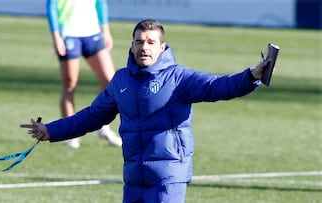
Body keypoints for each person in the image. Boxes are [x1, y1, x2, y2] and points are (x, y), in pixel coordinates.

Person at [21, 19, 271, 202]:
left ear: (162, 47)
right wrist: (50, 131)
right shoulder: (121, 80)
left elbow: (217, 86)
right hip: (134, 178)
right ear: (131, 46)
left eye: (151, 42)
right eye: (139, 41)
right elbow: (92, 116)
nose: (144, 47)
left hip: (168, 178)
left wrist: (250, 76)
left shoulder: (178, 78)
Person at [46, 0, 122, 148]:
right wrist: (56, 36)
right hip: (68, 33)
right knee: (70, 84)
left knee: (110, 81)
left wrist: (106, 30)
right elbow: (52, 5)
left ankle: (102, 126)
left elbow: (101, 3)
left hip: (92, 33)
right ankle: (69, 133)